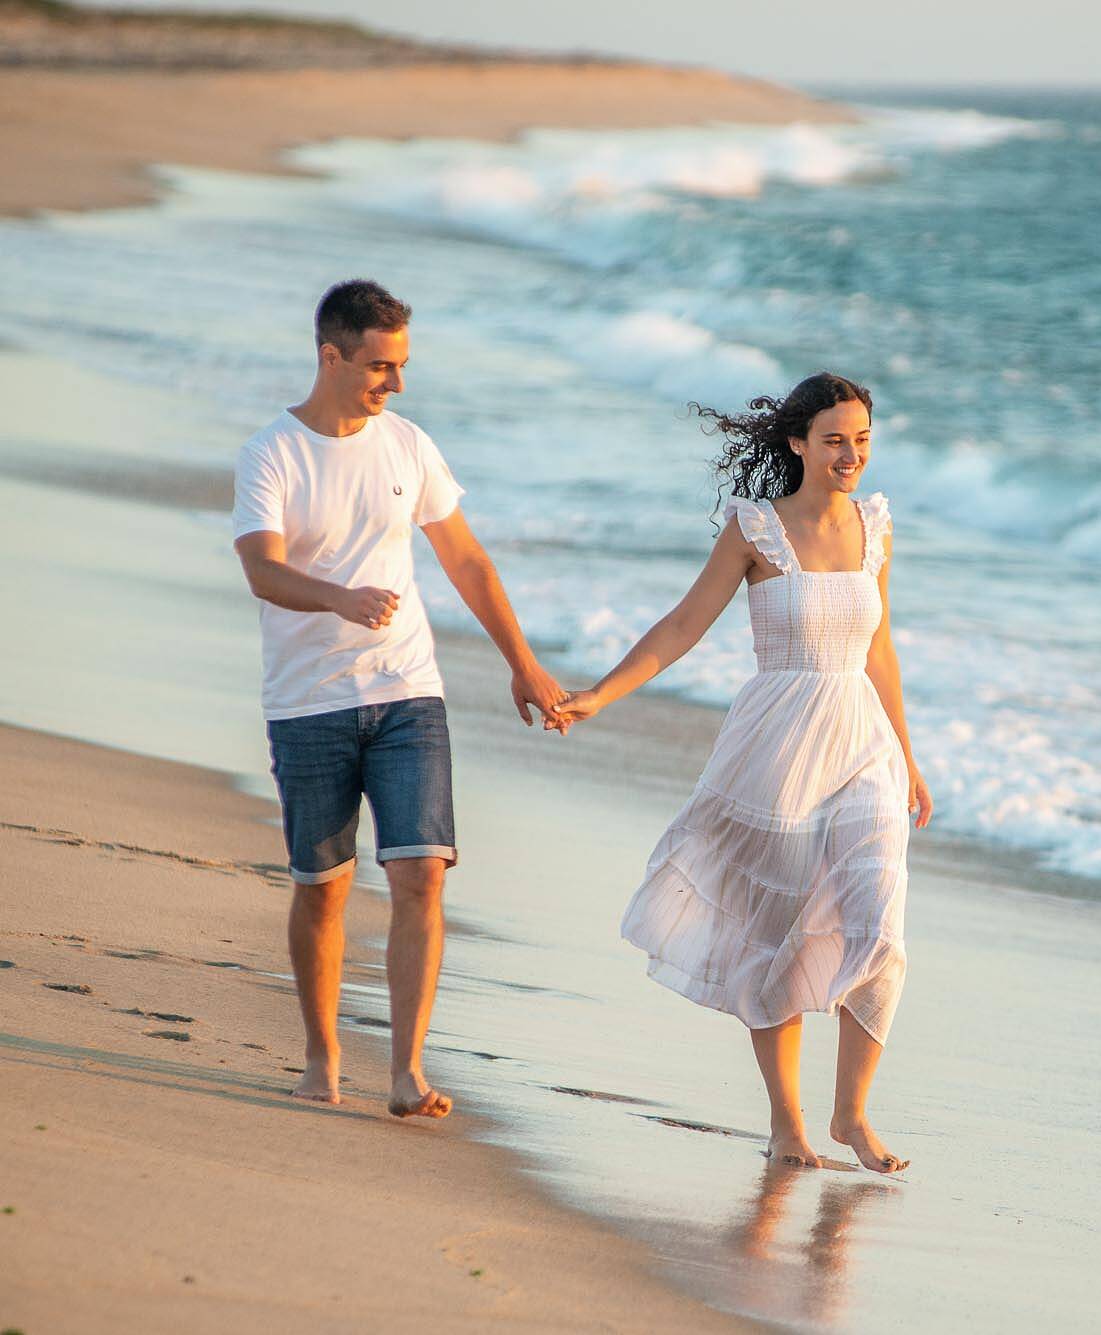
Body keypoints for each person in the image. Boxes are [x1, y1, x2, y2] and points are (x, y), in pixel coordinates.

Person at [549, 372, 931, 1173]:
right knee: (776, 936)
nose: (850, 454)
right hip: (779, 745)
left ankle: (850, 1113)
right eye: (834, 439)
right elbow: (684, 624)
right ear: (798, 442)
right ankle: (787, 1123)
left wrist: (909, 756)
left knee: (881, 922)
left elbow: (882, 649)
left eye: (862, 439)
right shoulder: (756, 529)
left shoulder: (876, 525)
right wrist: (598, 696)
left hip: (861, 741)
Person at [231, 279, 564, 1119]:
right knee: (324, 884)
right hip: (307, 701)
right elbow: (261, 568)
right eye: (381, 366)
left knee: (421, 872)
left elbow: (468, 562)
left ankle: (408, 1070)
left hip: (408, 691)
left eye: (403, 364)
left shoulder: (409, 446)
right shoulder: (271, 453)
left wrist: (523, 664)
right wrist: (338, 597)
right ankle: (321, 1054)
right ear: (330, 356)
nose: (397, 383)